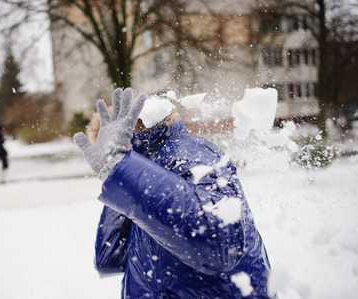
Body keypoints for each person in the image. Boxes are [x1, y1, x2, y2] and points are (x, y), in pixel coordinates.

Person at [74, 88, 275, 299]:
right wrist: (120, 178)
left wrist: (123, 170)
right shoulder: (142, 173)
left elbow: (221, 244)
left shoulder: (189, 153)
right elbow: (109, 258)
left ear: (132, 130)